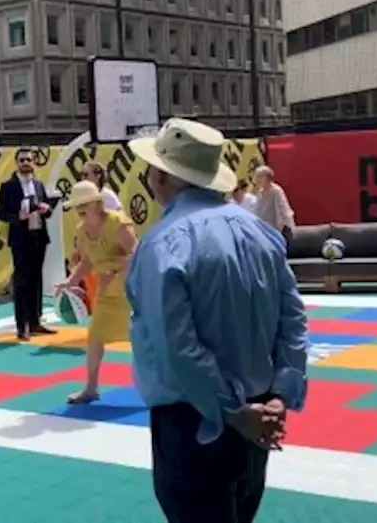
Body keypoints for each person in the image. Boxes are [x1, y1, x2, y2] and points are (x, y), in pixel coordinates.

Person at [125, 118, 309, 523]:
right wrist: (280, 394)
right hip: (259, 415)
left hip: (195, 421)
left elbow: (177, 345)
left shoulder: (163, 244)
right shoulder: (261, 233)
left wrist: (232, 412)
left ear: (160, 175)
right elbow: (293, 321)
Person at [54, 181, 138, 404]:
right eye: (76, 205)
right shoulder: (82, 231)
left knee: (142, 341)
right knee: (94, 338)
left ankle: (163, 386)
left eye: (84, 203)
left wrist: (115, 269)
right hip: (106, 291)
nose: (80, 208)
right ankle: (91, 388)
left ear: (97, 203)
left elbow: (138, 255)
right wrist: (70, 281)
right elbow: (87, 261)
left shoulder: (118, 223)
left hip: (132, 291)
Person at [0, 147, 60, 341]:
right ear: (17, 163)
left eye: (29, 160)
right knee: (22, 282)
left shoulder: (39, 185)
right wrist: (18, 216)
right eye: (22, 160)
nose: (26, 163)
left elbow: (47, 211)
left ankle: (35, 321)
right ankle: (21, 325)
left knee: (36, 281)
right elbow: (1, 213)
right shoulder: (9, 186)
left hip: (38, 237)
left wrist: (46, 208)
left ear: (34, 163)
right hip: (20, 239)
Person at [74, 161, 122, 313]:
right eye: (81, 175)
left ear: (98, 175)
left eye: (86, 174)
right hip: (91, 245)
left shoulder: (108, 196)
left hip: (106, 248)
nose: (83, 178)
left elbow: (119, 220)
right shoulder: (83, 197)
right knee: (91, 284)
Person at [252, 165, 295, 246]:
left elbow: (284, 210)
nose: (256, 180)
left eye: (258, 177)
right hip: (263, 230)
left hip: (276, 230)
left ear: (266, 178)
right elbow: (257, 211)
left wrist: (289, 227)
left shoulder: (276, 191)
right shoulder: (260, 193)